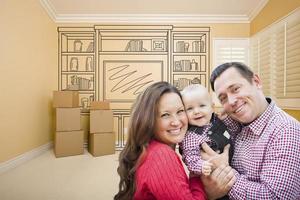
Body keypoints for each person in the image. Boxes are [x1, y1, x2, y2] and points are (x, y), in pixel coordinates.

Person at [201, 62, 300, 200]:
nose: (231, 101)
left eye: (235, 89)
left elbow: (274, 197)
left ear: (256, 82)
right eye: (223, 98)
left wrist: (224, 173)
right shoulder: (235, 122)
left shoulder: (285, 131)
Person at [114, 81, 216, 200]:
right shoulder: (161, 156)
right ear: (148, 121)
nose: (176, 122)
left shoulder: (149, 149)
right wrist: (198, 179)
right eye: (165, 115)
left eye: (180, 111)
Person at [180, 84, 239, 200]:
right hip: (212, 179)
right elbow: (190, 158)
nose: (196, 111)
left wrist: (228, 116)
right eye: (190, 108)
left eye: (202, 105)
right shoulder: (191, 136)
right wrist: (201, 166)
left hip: (232, 170)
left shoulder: (217, 120)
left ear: (212, 107)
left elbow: (234, 129)